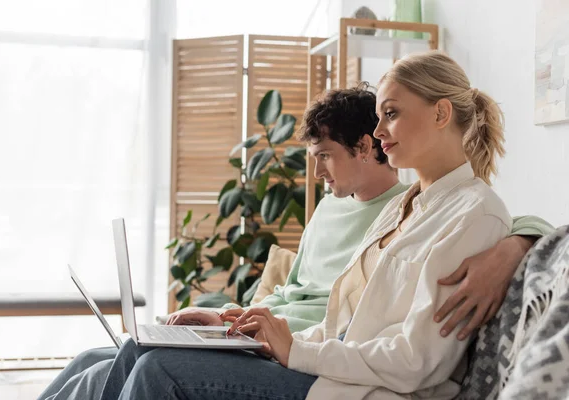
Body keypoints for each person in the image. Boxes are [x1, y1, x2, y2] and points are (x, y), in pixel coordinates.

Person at [37, 56, 552, 400]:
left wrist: (295, 349)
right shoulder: (411, 206)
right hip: (328, 367)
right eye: (377, 117)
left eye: (391, 115)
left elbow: (419, 362)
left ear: (442, 113)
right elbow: (346, 321)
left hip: (360, 390)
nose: (377, 133)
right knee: (139, 350)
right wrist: (266, 337)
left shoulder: (474, 213)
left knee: (156, 370)